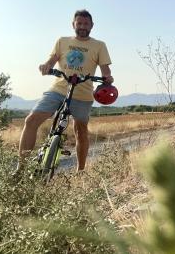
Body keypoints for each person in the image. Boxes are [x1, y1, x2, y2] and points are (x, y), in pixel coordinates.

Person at [18, 9, 113, 171]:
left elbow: (106, 70)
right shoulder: (62, 41)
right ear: (73, 24)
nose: (82, 26)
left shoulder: (99, 45)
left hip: (83, 95)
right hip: (58, 89)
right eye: (79, 23)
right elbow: (51, 60)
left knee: (81, 132)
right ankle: (21, 168)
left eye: (86, 23)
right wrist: (46, 66)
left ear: (92, 25)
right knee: (31, 120)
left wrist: (107, 78)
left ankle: (80, 171)